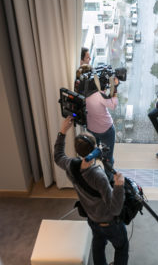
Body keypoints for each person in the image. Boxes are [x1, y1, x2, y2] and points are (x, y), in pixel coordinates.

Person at [54, 116, 129, 265]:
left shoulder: (71, 165)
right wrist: (119, 186)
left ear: (77, 151)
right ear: (95, 149)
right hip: (109, 223)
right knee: (121, 247)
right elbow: (115, 209)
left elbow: (58, 156)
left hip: (92, 219)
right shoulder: (98, 176)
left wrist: (63, 132)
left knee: (98, 244)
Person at [86, 77, 119, 179]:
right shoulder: (99, 95)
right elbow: (113, 105)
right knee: (108, 158)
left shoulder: (84, 93)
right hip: (105, 130)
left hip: (91, 128)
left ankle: (92, 175)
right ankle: (108, 181)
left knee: (92, 153)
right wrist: (115, 88)